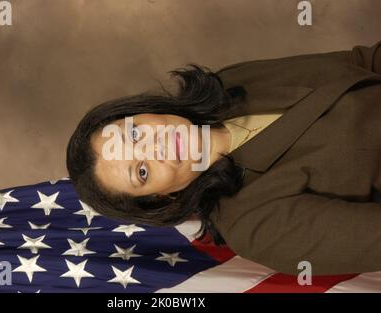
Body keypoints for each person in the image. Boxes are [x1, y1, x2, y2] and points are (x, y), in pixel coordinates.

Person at [66, 40, 381, 275]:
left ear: (140, 111)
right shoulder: (255, 229)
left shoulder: (228, 84)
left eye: (133, 134)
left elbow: (363, 61)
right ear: (161, 198)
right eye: (142, 172)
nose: (154, 147)